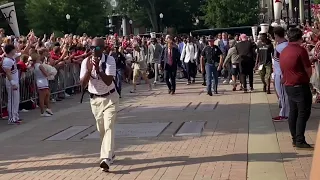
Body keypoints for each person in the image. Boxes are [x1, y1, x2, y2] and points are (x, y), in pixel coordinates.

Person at [80, 38, 119, 171]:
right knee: (101, 129)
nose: (93, 51)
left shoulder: (109, 60)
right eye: (91, 48)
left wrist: (98, 69)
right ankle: (110, 152)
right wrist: (89, 70)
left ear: (102, 49)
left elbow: (108, 81)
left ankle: (105, 158)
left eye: (96, 48)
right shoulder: (85, 62)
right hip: (95, 100)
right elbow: (83, 84)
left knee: (109, 126)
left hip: (110, 98)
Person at [280, 28, 313, 149]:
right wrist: (307, 78)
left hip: (289, 85)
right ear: (300, 37)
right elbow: (308, 69)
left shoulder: (284, 50)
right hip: (300, 84)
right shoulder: (300, 50)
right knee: (303, 112)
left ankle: (295, 138)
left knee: (293, 112)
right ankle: (300, 139)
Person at [272, 27, 289, 121]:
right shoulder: (285, 44)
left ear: (276, 35)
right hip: (280, 73)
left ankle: (284, 114)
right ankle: (286, 112)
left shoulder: (280, 47)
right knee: (284, 95)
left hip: (280, 74)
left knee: (283, 95)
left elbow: (281, 63)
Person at [2, 44, 21, 125]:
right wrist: (13, 83)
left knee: (16, 100)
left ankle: (15, 116)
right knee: (12, 101)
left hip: (15, 81)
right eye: (13, 49)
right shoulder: (7, 61)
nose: (15, 50)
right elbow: (8, 73)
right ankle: (11, 118)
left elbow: (20, 53)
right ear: (11, 50)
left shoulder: (12, 58)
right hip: (11, 82)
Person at [32, 52, 53, 117]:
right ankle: (42, 112)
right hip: (42, 81)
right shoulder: (39, 65)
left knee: (47, 94)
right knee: (42, 97)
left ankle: (48, 108)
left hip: (41, 81)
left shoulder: (35, 65)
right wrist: (51, 73)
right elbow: (45, 74)